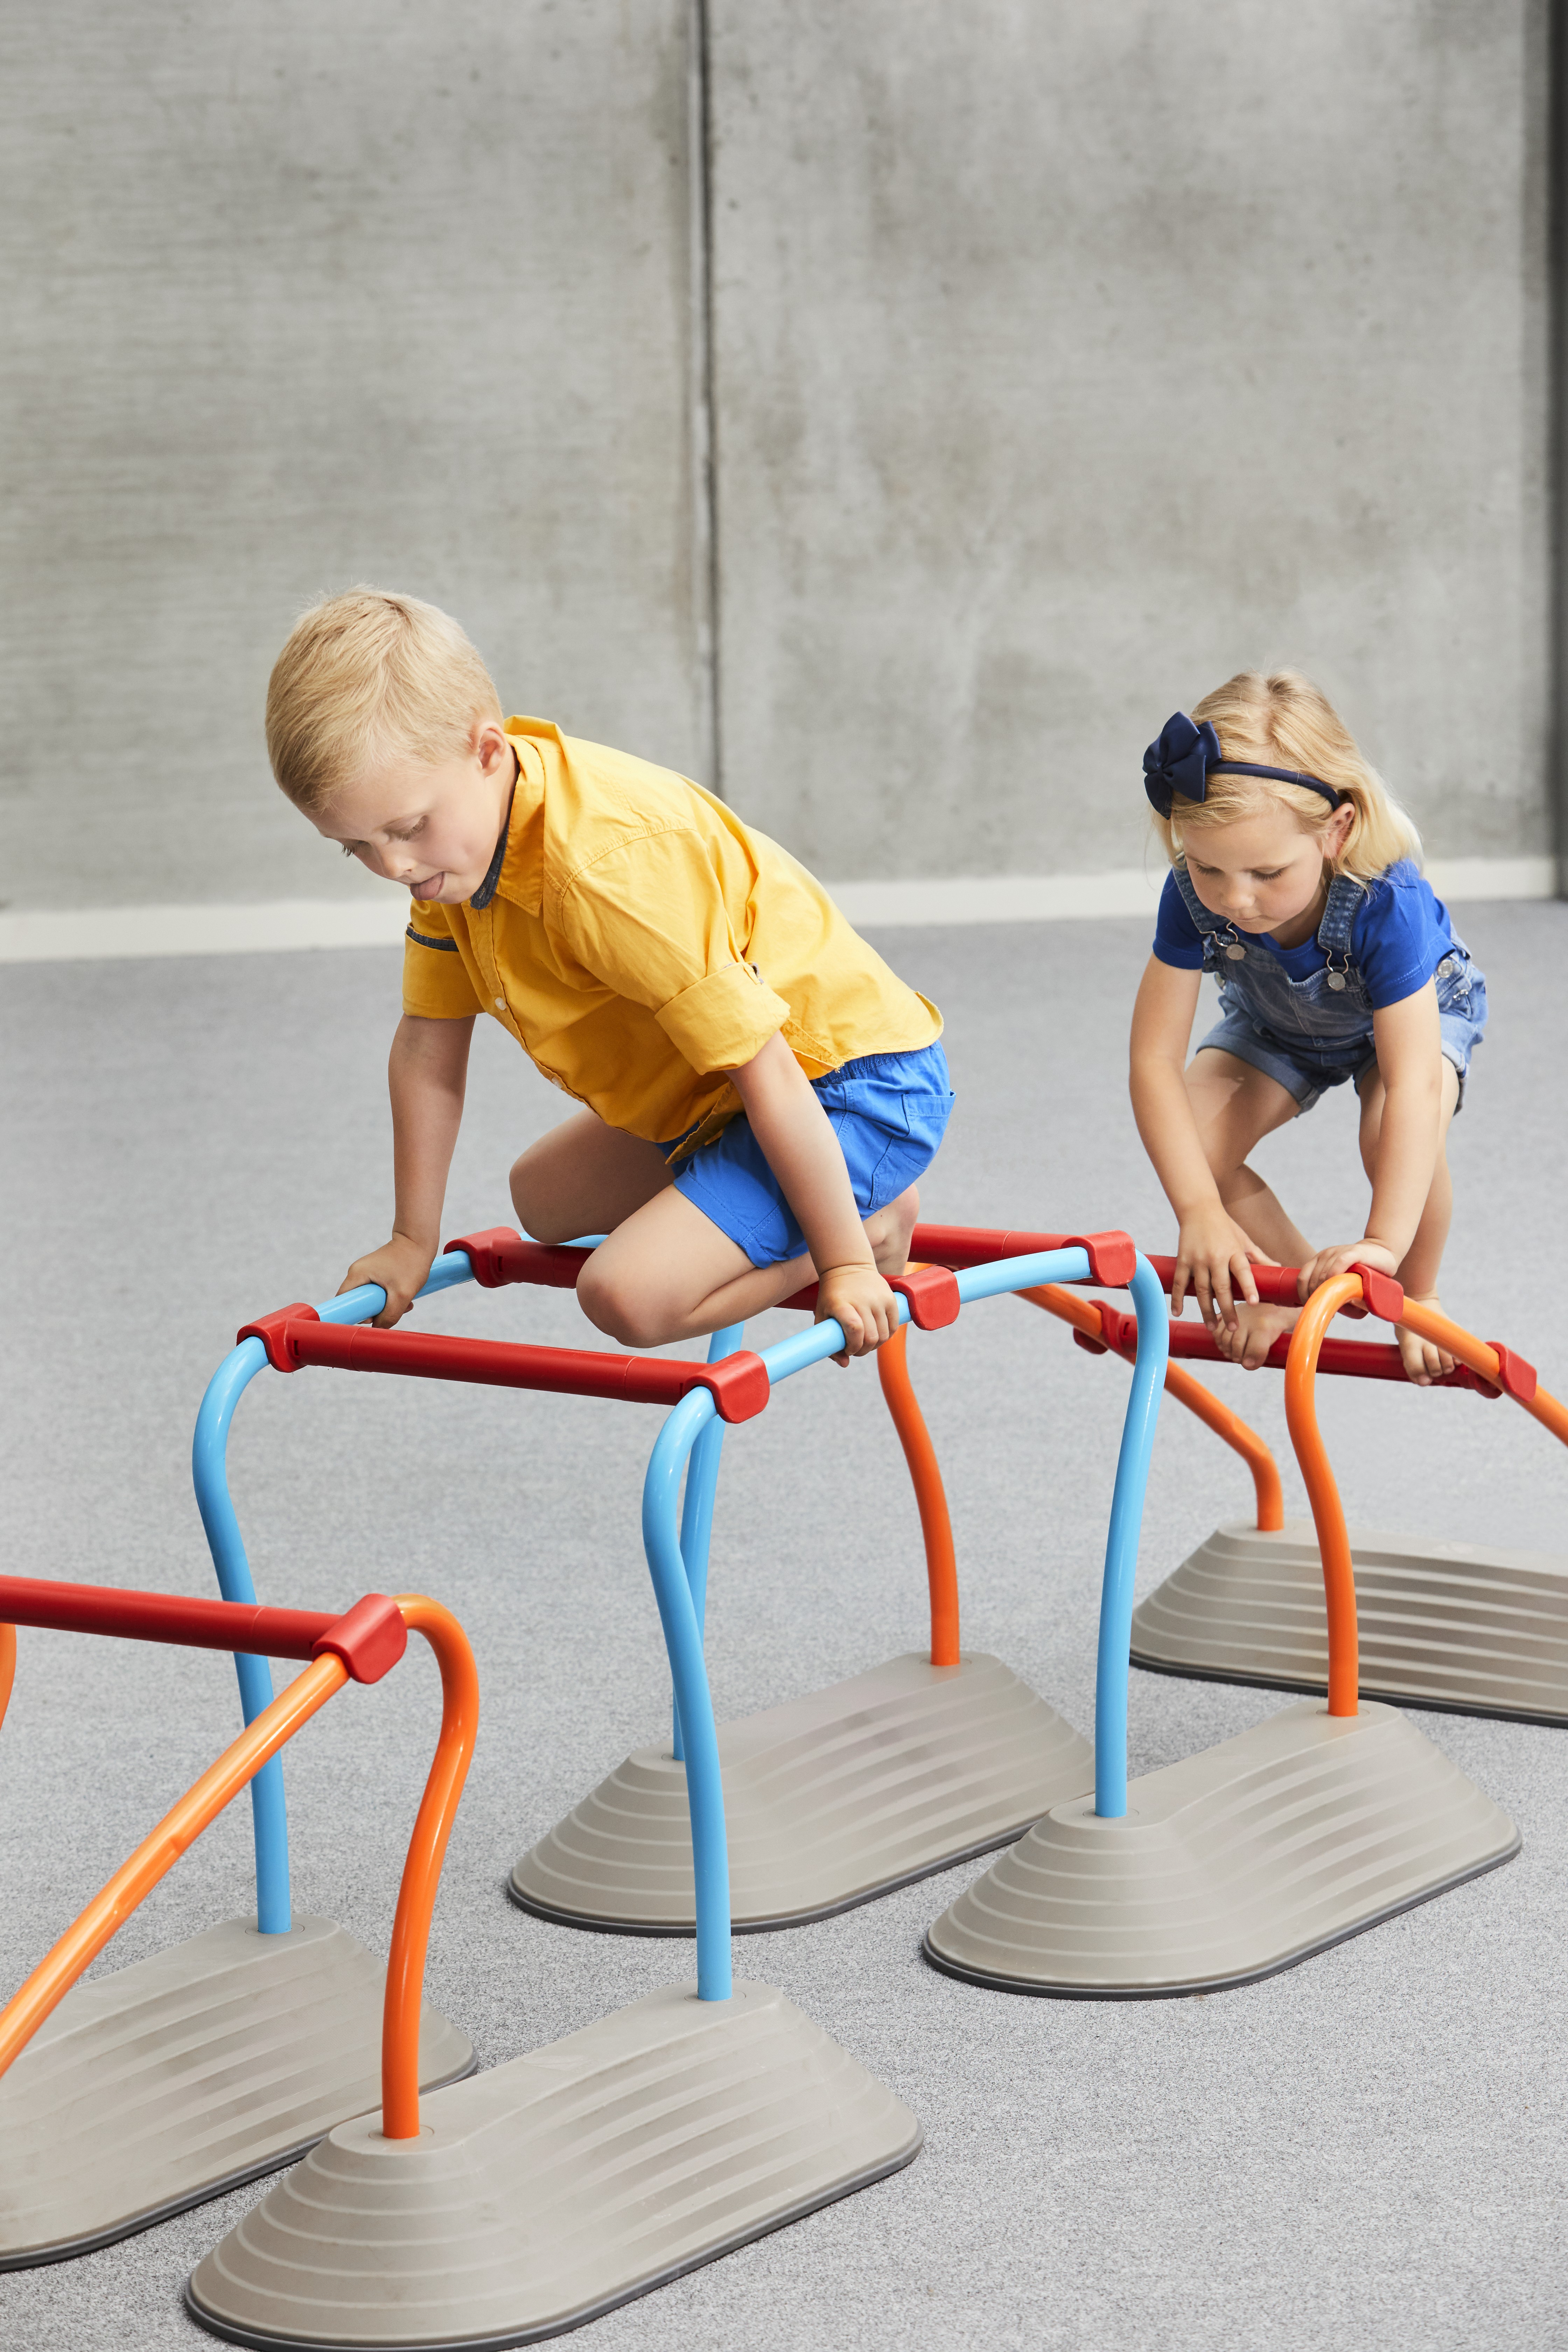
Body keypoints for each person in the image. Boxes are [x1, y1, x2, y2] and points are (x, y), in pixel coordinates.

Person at [265, 588, 952, 1360]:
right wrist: (409, 1239)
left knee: (624, 1295)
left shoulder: (606, 871)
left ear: (486, 752)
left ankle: (871, 1224)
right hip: (713, 1093)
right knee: (542, 1199)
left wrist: (845, 1264)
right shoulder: (451, 863)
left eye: (407, 828)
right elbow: (429, 1048)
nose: (392, 866)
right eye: (355, 846)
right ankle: (793, 1212)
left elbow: (770, 1071)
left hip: (849, 1089)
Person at [1128, 670, 1486, 1385]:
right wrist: (1198, 1209)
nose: (1236, 900)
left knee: (1390, 1131)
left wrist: (1383, 1244)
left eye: (1267, 873)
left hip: (1410, 1020)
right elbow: (1152, 1062)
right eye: (1208, 868)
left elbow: (1413, 1084)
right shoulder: (1189, 894)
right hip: (1275, 1021)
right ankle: (1289, 1286)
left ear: (1336, 829)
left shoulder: (1384, 900)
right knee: (1193, 1143)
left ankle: (1419, 1295)